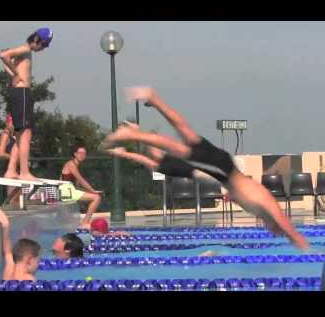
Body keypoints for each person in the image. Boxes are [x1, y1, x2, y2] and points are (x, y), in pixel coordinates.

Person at [105, 86, 309, 250]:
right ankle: (132, 134)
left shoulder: (260, 211)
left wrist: (233, 196)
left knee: (185, 132)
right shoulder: (268, 206)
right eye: (276, 231)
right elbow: (285, 223)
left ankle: (152, 98)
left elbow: (241, 194)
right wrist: (298, 242)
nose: (274, 232)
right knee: (176, 146)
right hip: (222, 170)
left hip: (223, 169)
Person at [0, 28, 53, 181]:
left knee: (19, 134)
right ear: (36, 39)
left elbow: (5, 57)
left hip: (18, 93)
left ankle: (11, 170)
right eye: (43, 45)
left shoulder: (25, 51)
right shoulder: (26, 48)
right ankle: (24, 172)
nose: (43, 48)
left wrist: (13, 74)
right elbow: (4, 55)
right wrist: (16, 75)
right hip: (22, 93)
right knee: (25, 134)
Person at [59, 147, 102, 228]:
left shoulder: (74, 164)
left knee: (70, 222)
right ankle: (85, 222)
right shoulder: (71, 164)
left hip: (69, 191)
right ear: (75, 154)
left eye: (84, 154)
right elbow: (81, 180)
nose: (82, 155)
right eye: (80, 153)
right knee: (96, 197)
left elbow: (73, 182)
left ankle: (83, 222)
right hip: (66, 191)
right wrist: (93, 191)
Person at [0, 208, 41, 281]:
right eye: (37, 261)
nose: (37, 265)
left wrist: (6, 226)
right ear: (29, 260)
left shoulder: (9, 271)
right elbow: (8, 252)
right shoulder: (29, 279)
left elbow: (8, 252)